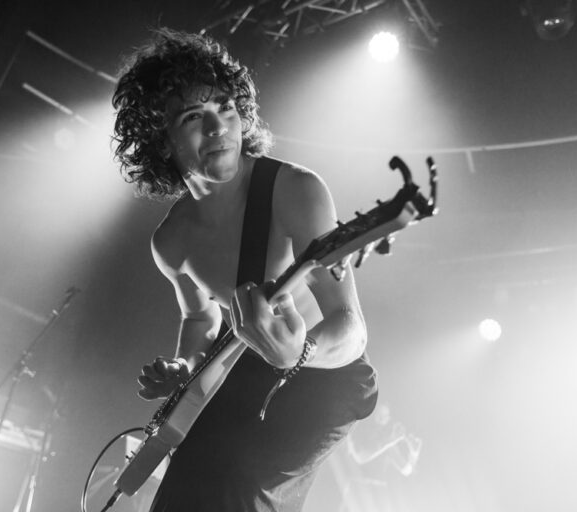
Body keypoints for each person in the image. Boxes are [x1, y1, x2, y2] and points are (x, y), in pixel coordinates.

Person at [111, 28, 378, 511]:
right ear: (160, 139)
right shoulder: (171, 241)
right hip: (245, 371)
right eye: (194, 116)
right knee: (178, 492)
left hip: (325, 376)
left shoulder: (294, 191)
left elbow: (352, 330)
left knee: (239, 485)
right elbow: (199, 318)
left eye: (226, 108)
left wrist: (298, 351)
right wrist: (184, 367)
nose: (219, 127)